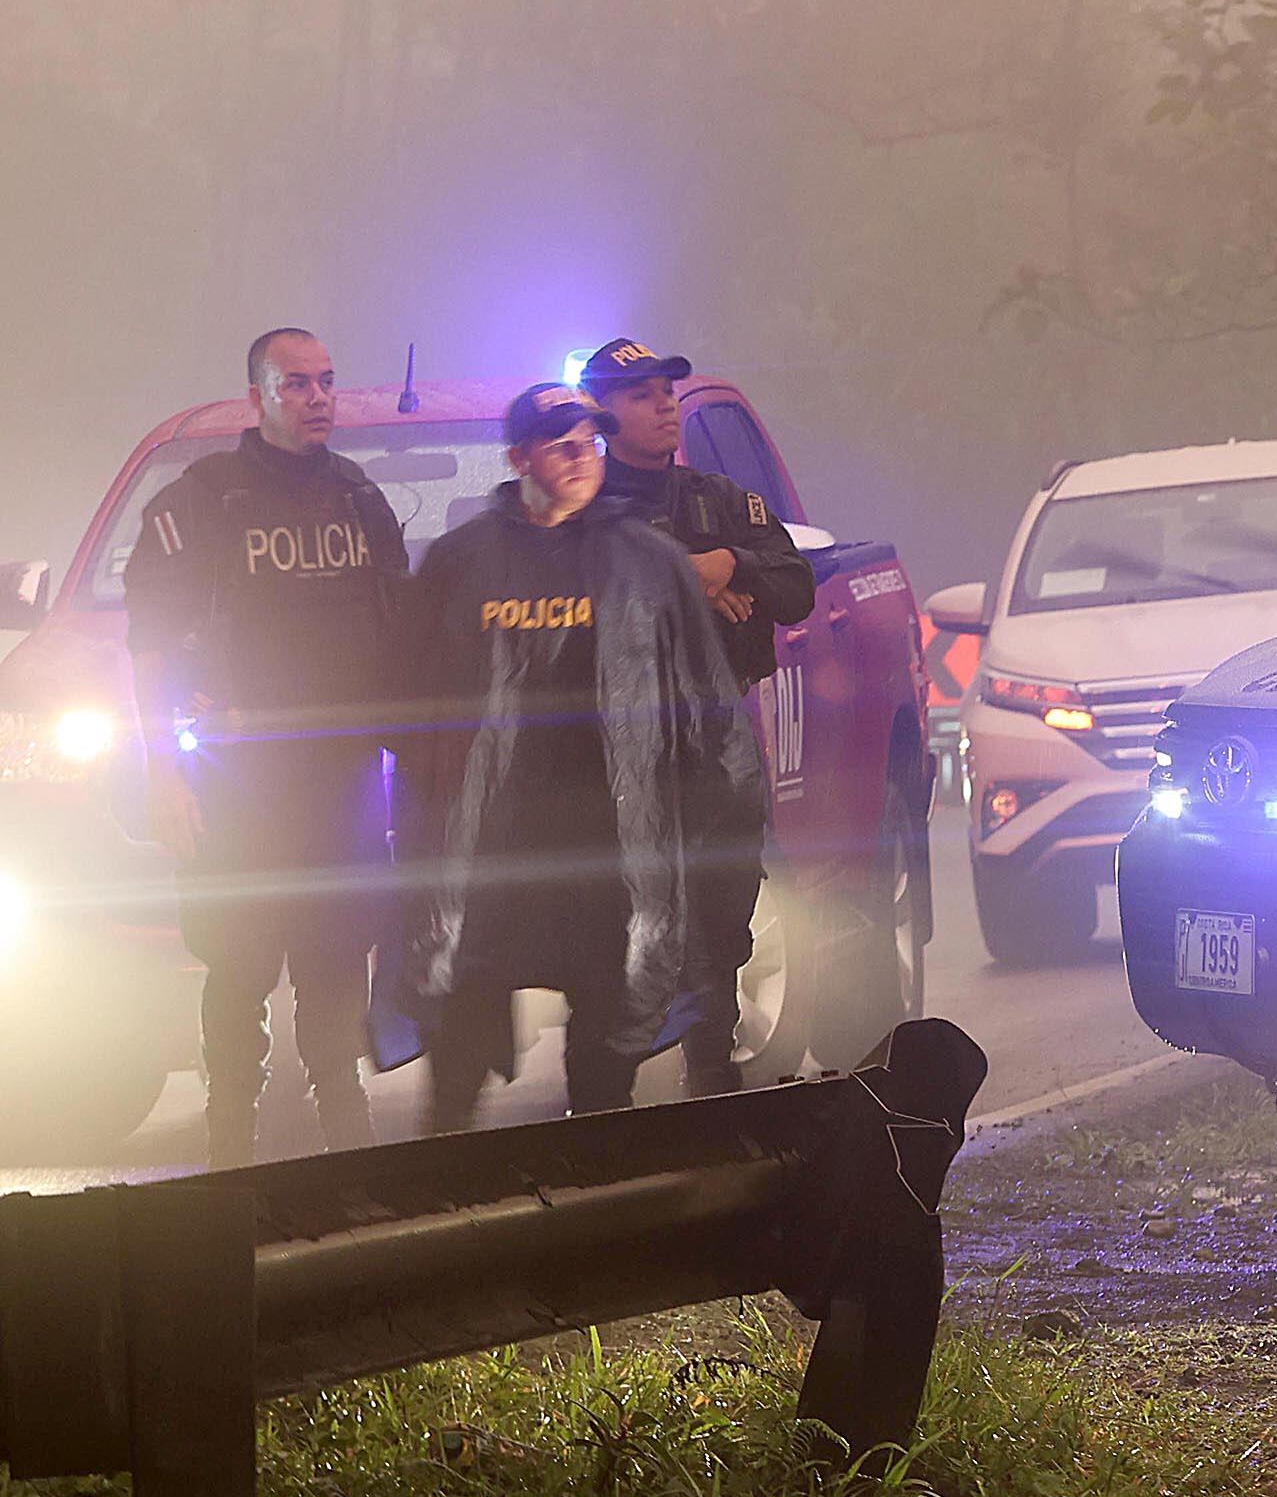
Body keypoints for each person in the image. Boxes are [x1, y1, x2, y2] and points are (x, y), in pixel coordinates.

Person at [395, 382, 761, 1127]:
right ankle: (443, 1182)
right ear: (518, 458)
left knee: (606, 1047)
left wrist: (726, 825)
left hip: (609, 848)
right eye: (561, 445)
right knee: (459, 1038)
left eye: (590, 442)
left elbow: (707, 707)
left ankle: (596, 1173)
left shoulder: (648, 561)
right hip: (490, 850)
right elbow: (408, 698)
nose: (581, 457)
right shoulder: (462, 561)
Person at [122, 327, 411, 1166]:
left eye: (327, 381)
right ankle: (230, 1141)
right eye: (297, 383)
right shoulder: (202, 502)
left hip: (339, 781)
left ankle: (346, 1139)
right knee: (238, 964)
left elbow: (401, 635)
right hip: (235, 782)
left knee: (336, 958)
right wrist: (164, 772)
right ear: (258, 396)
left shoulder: (359, 497)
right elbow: (149, 647)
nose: (318, 397)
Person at [583, 335, 814, 1093]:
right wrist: (692, 580)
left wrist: (733, 563)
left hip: (718, 742)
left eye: (666, 391)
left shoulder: (720, 501)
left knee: (722, 913)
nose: (663, 406)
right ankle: (606, 1102)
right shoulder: (583, 514)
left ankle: (711, 1075)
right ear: (602, 414)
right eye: (641, 394)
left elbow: (796, 585)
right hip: (620, 751)